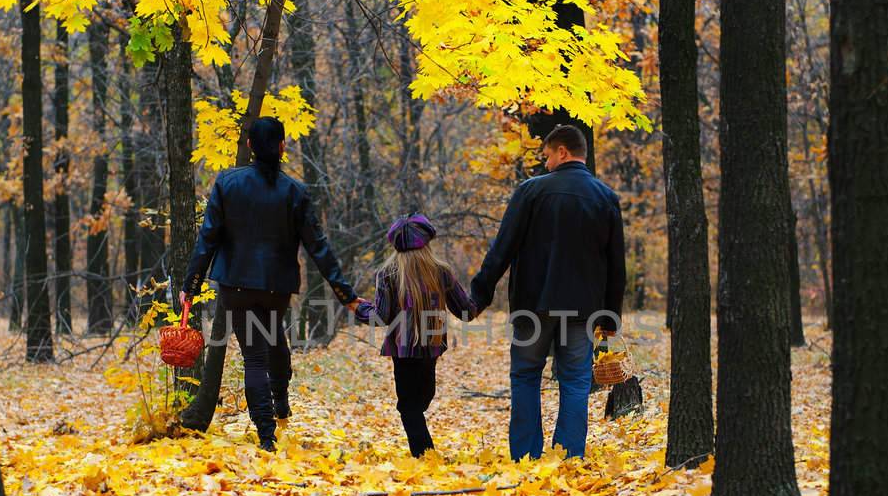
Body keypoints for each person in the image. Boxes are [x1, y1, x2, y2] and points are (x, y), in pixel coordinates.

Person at [180, 117, 358, 451]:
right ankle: (280, 405)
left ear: (249, 145)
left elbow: (208, 239)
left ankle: (267, 434)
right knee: (274, 342)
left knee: (256, 358)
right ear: (281, 147)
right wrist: (345, 294)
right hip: (276, 288)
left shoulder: (227, 184)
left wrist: (191, 285)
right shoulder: (295, 191)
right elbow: (318, 246)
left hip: (237, 287)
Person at [469, 123, 626, 462]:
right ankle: (568, 457)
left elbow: (503, 248)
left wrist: (479, 295)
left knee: (525, 375)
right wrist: (611, 316)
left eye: (548, 157)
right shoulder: (606, 198)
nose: (546, 164)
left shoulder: (531, 191)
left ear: (563, 152)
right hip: (582, 310)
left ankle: (526, 456)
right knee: (575, 380)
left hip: (533, 305)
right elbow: (616, 264)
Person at [353, 213, 476, 458]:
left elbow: (380, 316)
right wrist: (481, 295)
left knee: (416, 401)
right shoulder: (429, 272)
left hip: (409, 348)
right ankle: (425, 455)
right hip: (422, 347)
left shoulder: (396, 272)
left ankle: (424, 453)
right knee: (411, 404)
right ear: (427, 242)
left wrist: (359, 308)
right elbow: (465, 311)